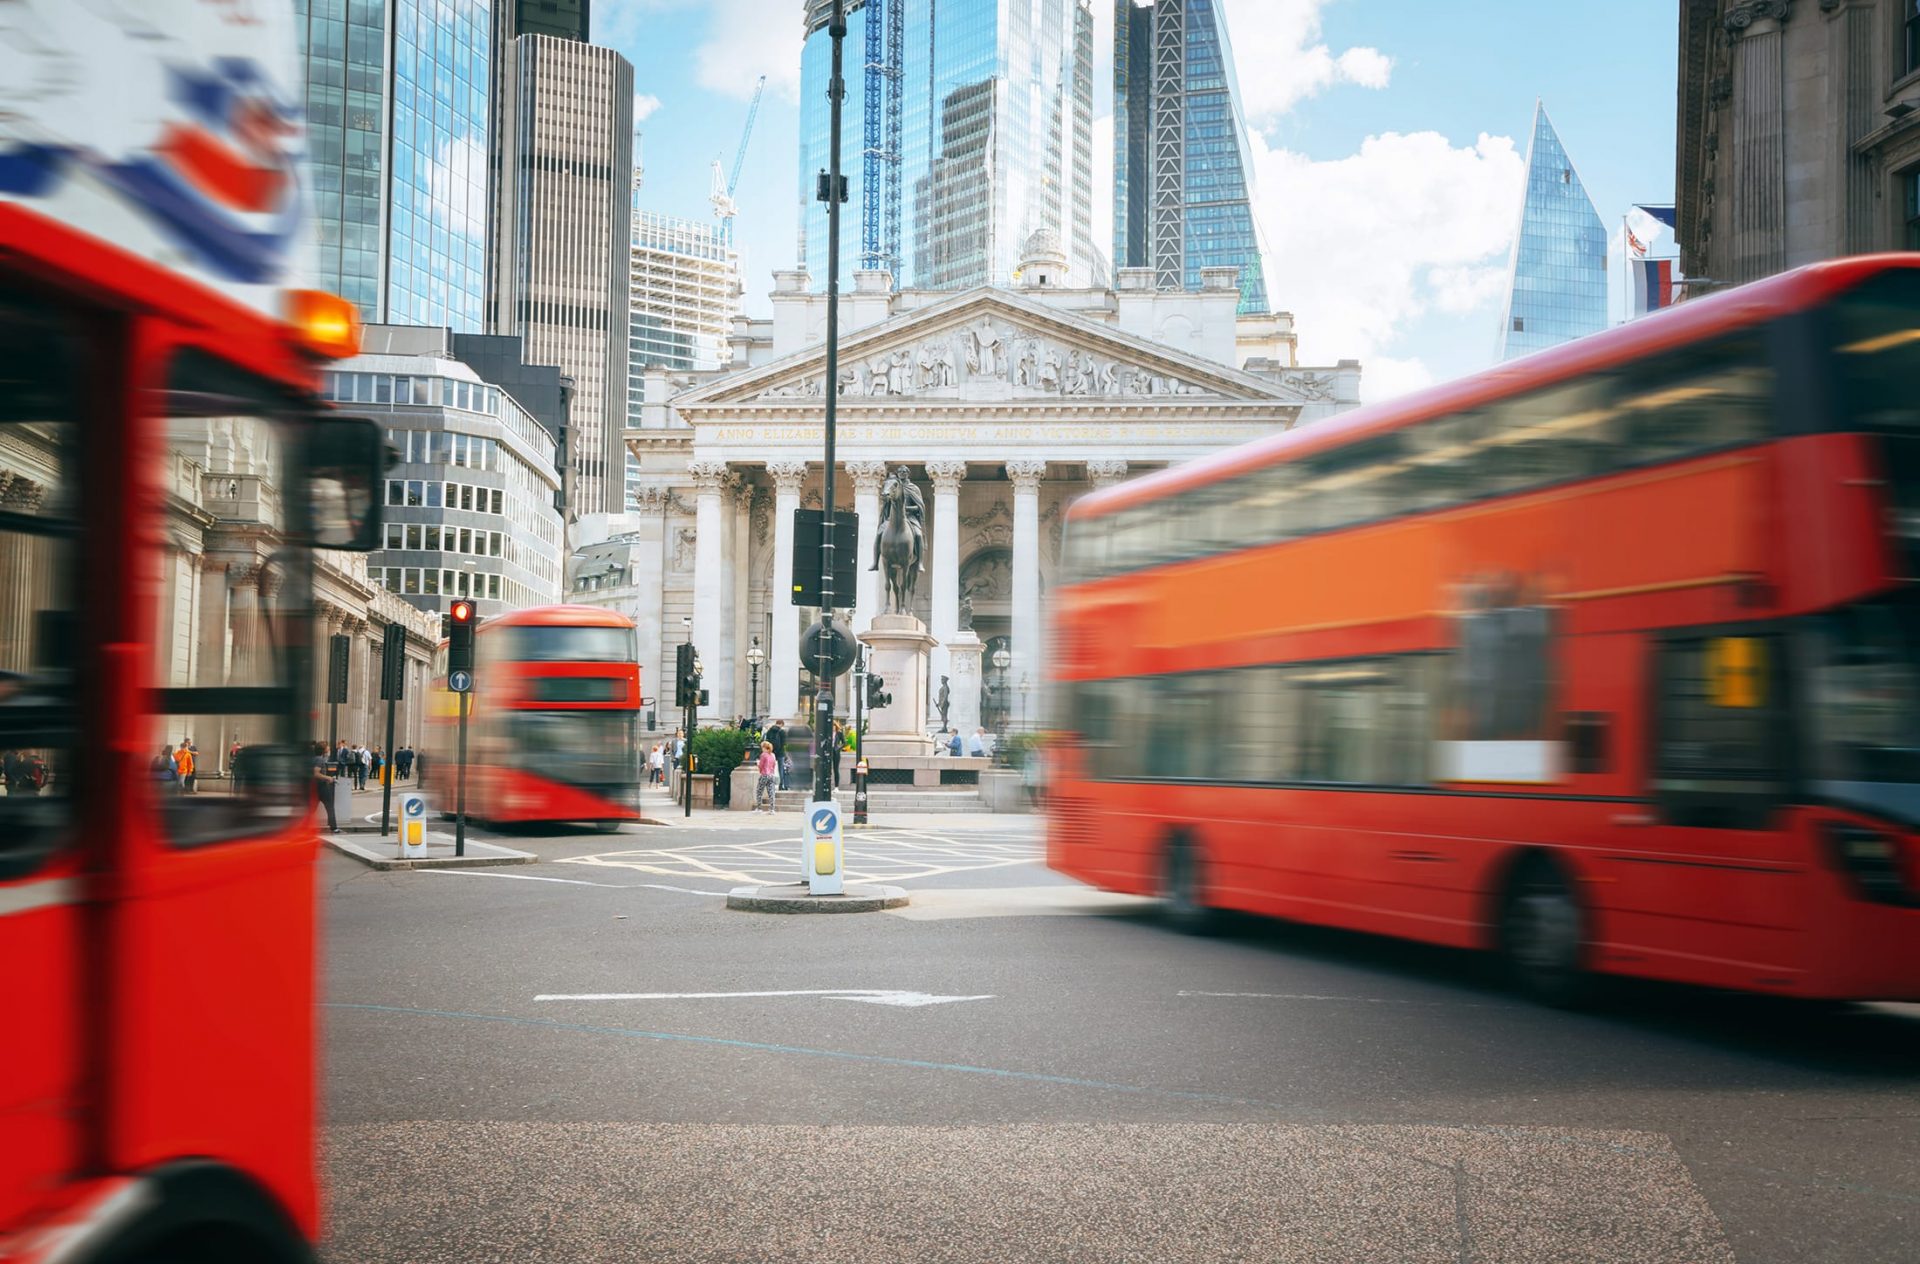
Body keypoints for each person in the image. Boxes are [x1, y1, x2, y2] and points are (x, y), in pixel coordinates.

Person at [311, 741, 339, 833]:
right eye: (327, 747)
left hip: (314, 786)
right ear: (323, 749)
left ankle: (303, 825)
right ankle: (334, 827)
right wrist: (328, 778)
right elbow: (316, 773)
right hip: (321, 786)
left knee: (312, 807)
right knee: (329, 806)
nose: (329, 748)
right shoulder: (320, 760)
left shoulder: (314, 758)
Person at [753, 740, 778, 812]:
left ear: (764, 747)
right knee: (771, 792)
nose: (761, 749)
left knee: (759, 791)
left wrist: (759, 767)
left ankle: (759, 808)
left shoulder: (763, 755)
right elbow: (774, 765)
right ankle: (772, 809)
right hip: (771, 775)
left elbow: (761, 766)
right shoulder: (773, 755)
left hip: (764, 775)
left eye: (762, 747)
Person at [766, 719, 788, 790]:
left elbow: (767, 742)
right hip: (780, 753)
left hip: (771, 752)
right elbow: (784, 743)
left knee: (770, 769)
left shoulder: (769, 731)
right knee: (780, 769)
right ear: (781, 724)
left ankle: (769, 785)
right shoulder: (782, 732)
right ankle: (781, 785)